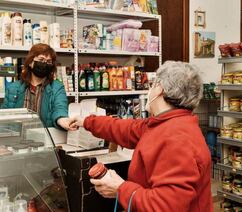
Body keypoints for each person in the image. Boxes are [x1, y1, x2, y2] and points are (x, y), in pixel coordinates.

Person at [70, 61, 212, 211]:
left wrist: (120, 189)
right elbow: (125, 129)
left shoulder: (176, 139)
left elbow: (164, 207)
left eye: (151, 85)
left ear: (159, 89)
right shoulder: (164, 123)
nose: (149, 90)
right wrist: (86, 121)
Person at [1, 44, 75, 130]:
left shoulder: (57, 87)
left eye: (48, 61)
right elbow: (5, 116)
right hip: (18, 139)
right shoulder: (13, 88)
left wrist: (63, 120)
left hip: (45, 139)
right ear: (30, 63)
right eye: (41, 59)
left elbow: (60, 108)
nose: (45, 63)